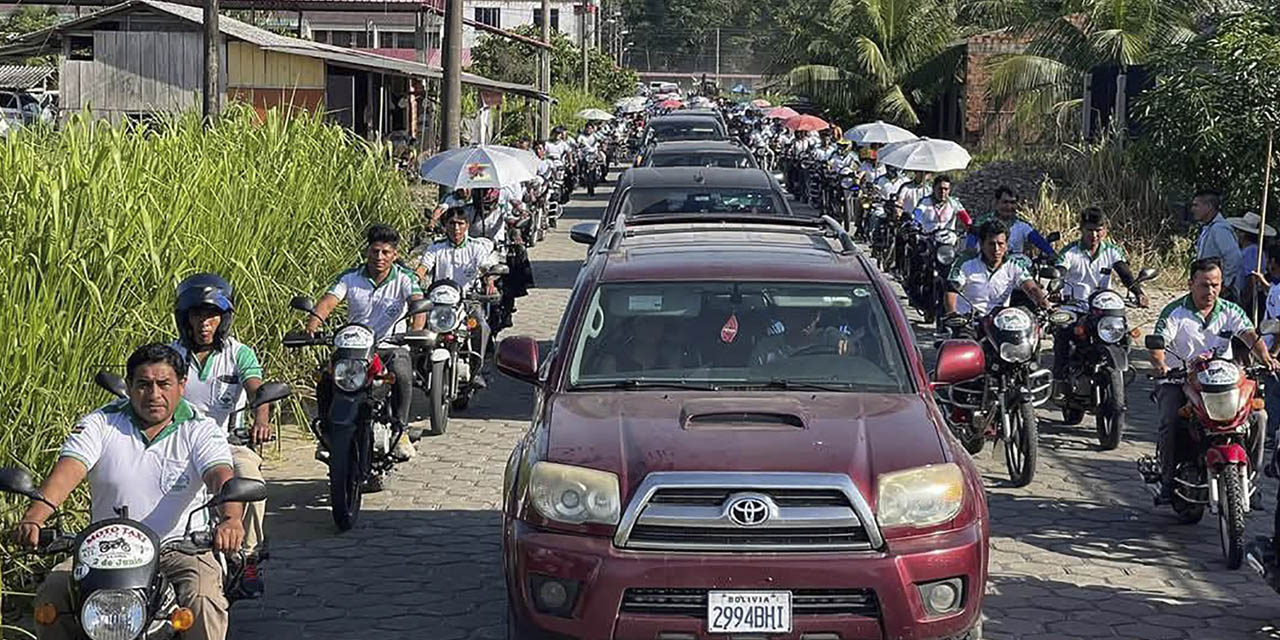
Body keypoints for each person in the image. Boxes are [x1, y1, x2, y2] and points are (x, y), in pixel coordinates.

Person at [18, 344, 243, 640]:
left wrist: (230, 519)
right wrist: (35, 517)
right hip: (104, 551)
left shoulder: (201, 429)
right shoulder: (101, 423)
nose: (154, 394)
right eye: (143, 385)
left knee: (202, 599)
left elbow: (220, 476)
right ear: (130, 386)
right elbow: (67, 471)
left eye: (163, 384)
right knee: (52, 595)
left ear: (182, 384)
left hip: (178, 549)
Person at [168, 273, 273, 598]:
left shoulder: (239, 353)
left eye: (211, 315)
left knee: (249, 475)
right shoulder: (170, 355)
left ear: (223, 318)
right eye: (197, 315)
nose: (204, 323)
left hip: (228, 444)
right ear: (185, 319)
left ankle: (249, 554)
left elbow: (258, 390)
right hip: (178, 444)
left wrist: (261, 418)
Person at [1149, 257, 1278, 502]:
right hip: (1181, 381)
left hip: (1224, 384)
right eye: (1204, 285)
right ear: (1190, 284)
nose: (1210, 291)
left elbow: (1250, 336)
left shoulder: (1230, 310)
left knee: (1259, 417)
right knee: (1171, 421)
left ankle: (1252, 479)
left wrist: (1266, 358)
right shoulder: (1175, 313)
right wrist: (1162, 365)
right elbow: (1157, 345)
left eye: (1216, 285)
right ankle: (1167, 480)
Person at [306, 224, 425, 446]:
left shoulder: (405, 278)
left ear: (394, 254)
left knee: (402, 374)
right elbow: (328, 302)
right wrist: (313, 325)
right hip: (354, 348)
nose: (379, 257)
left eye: (386, 252)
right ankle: (326, 432)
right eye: (374, 251)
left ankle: (401, 429)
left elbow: (417, 304)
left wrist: (416, 332)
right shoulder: (349, 277)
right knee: (325, 378)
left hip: (390, 346)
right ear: (367, 251)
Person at [1050, 208, 1149, 399]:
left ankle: (1118, 374)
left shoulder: (1112, 251)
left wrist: (1139, 292)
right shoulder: (1070, 252)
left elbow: (1124, 273)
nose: (1094, 235)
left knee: (1125, 334)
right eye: (1089, 230)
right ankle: (1060, 380)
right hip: (1075, 307)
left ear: (1105, 230)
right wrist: (1055, 289)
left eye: (1099, 230)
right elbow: (1060, 272)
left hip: (1103, 309)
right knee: (1063, 332)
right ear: (1081, 229)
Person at [412, 208, 501, 388]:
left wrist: (489, 280)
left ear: (467, 225)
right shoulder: (436, 247)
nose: (456, 228)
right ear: (445, 226)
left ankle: (478, 368)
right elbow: (423, 267)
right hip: (438, 303)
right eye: (451, 224)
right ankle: (417, 366)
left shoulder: (476, 247)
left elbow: (484, 267)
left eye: (460, 223)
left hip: (468, 301)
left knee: (481, 327)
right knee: (419, 329)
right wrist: (412, 280)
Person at [945, 219, 1050, 317]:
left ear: (1006, 245)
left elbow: (1032, 288)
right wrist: (952, 314)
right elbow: (952, 290)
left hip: (999, 322)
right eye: (991, 244)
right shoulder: (965, 263)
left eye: (1000, 244)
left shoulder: (1014, 265)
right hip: (969, 321)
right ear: (981, 244)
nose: (996, 249)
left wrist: (1047, 307)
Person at [966, 186, 1055, 257]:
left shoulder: (1022, 225)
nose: (1009, 207)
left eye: (1012, 203)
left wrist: (1053, 255)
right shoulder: (982, 223)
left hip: (1015, 271)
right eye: (1005, 202)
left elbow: (1039, 241)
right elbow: (970, 247)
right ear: (996, 203)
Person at [750, 307, 850, 366]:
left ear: (817, 317)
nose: (806, 320)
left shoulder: (831, 339)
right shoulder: (767, 348)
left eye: (811, 314)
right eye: (799, 314)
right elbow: (753, 381)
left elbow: (852, 364)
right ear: (786, 316)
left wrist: (850, 349)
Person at [1192, 190, 1243, 300]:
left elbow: (1234, 257)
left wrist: (1224, 284)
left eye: (1196, 205)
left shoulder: (1219, 229)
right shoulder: (1209, 227)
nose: (1193, 209)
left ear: (1209, 206)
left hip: (1221, 292)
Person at [1228, 212, 1276, 316]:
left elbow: (1251, 278)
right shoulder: (1249, 250)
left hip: (1251, 298)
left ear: (1243, 234)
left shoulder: (1252, 251)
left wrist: (1244, 301)